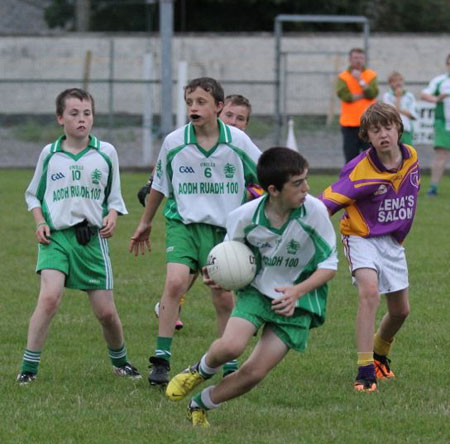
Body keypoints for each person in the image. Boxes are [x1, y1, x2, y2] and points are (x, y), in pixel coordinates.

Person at [165, 147, 338, 427]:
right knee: (231, 346)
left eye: (306, 179)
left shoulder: (314, 212)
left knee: (254, 373)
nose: (306, 188)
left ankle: (200, 404)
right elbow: (229, 257)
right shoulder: (244, 217)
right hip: (256, 291)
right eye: (298, 183)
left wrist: (298, 291)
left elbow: (329, 264)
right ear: (273, 190)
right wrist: (216, 274)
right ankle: (201, 369)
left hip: (297, 302)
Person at [129, 78, 261, 387]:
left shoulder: (237, 142)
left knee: (223, 298)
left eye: (201, 102)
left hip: (224, 230)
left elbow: (265, 171)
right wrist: (145, 222)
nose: (194, 107)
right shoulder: (175, 141)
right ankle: (161, 360)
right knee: (175, 282)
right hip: (183, 225)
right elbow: (160, 183)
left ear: (218, 107)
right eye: (190, 102)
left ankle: (229, 364)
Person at [17, 88, 140, 384]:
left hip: (91, 241)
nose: (81, 119)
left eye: (87, 113)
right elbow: (33, 195)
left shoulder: (106, 152)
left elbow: (115, 198)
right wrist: (39, 222)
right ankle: (28, 369)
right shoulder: (50, 153)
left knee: (106, 314)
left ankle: (121, 363)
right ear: (61, 118)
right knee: (49, 298)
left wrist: (112, 216)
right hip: (56, 238)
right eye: (74, 114)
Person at [320, 102, 420, 392]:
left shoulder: (411, 156)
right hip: (360, 237)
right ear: (367, 136)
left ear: (398, 128)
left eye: (388, 127)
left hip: (390, 241)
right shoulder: (358, 171)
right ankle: (365, 370)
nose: (384, 134)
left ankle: (379, 353)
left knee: (401, 311)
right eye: (376, 130)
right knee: (369, 294)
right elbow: (325, 203)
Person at [137, 93, 255, 332]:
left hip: (233, 221)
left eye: (240, 118)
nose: (233, 121)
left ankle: (238, 323)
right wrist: (153, 183)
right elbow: (171, 161)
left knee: (234, 271)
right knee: (189, 272)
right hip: (196, 219)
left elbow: (263, 180)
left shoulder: (240, 145)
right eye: (230, 115)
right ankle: (173, 306)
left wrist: (252, 196)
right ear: (220, 112)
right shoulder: (188, 138)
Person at [336, 48, 379, 163]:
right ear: (350, 59)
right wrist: (363, 94)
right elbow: (345, 96)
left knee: (371, 157)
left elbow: (372, 94)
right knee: (351, 158)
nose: (358, 61)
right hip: (349, 124)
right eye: (355, 58)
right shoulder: (343, 76)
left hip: (368, 123)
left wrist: (360, 80)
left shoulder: (370, 75)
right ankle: (351, 181)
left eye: (361, 58)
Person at [420, 53, 450, 196]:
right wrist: (437, 99)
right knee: (441, 154)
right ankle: (433, 187)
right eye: (449, 64)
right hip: (443, 123)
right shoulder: (440, 81)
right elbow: (424, 94)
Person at [383, 71, 417, 145]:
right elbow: (392, 112)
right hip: (393, 129)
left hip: (406, 128)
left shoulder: (409, 96)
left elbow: (413, 115)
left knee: (408, 151)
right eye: (395, 81)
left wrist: (400, 110)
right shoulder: (387, 96)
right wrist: (398, 97)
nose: (398, 83)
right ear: (390, 83)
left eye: (400, 80)